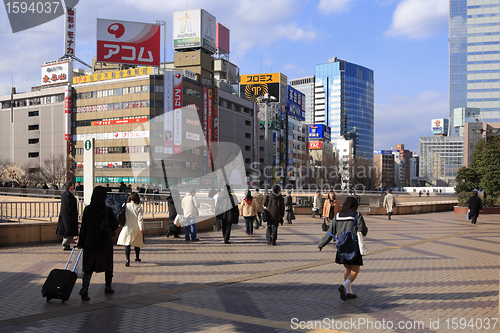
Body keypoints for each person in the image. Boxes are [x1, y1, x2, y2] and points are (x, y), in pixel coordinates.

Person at [318, 196, 368, 301]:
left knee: (347, 269)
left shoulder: (338, 216)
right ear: (355, 205)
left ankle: (349, 292)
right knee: (355, 270)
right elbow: (362, 230)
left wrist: (321, 244)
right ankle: (344, 287)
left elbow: (330, 232)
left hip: (341, 247)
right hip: (353, 247)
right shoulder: (357, 215)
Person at [77, 186, 118, 301]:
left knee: (88, 266)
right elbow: (115, 226)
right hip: (104, 241)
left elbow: (84, 228)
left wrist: (81, 243)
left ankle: (85, 288)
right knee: (107, 264)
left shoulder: (88, 210)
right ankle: (108, 286)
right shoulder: (107, 210)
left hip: (90, 240)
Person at [117, 192, 144, 267]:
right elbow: (140, 219)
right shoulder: (138, 208)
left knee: (127, 243)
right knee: (137, 243)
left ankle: (127, 259)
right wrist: (141, 228)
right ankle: (137, 257)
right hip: (136, 228)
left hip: (127, 227)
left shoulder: (125, 206)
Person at [56, 181, 79, 251]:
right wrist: (74, 213)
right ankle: (65, 244)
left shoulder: (64, 194)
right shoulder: (69, 195)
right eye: (73, 185)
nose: (74, 186)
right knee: (69, 231)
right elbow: (70, 206)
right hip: (69, 217)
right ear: (70, 186)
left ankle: (66, 244)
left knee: (68, 231)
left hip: (65, 216)